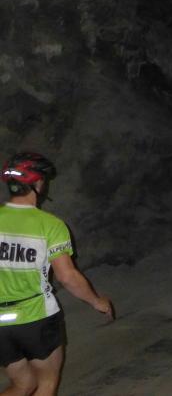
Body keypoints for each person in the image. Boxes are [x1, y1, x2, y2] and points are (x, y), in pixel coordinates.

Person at [1, 152, 114, 395]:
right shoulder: (49, 225)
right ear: (38, 183)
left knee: (23, 384)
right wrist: (97, 301)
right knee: (46, 382)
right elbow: (67, 277)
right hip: (36, 318)